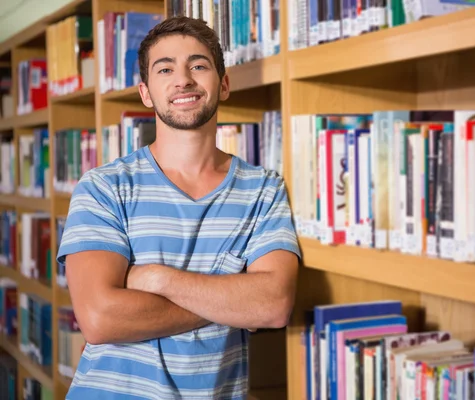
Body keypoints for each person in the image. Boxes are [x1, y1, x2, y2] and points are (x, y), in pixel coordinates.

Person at [56, 16, 301, 400]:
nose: (183, 79)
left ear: (223, 85)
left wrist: (155, 278)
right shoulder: (104, 186)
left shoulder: (264, 189)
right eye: (165, 68)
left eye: (198, 65)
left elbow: (273, 305)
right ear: (146, 93)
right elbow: (100, 318)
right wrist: (233, 301)